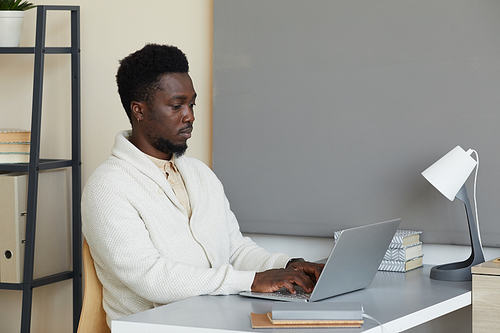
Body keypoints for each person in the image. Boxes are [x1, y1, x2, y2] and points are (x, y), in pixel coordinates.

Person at [81, 44, 324, 325]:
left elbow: (234, 249)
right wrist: (252, 280)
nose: (190, 116)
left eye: (191, 104)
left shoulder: (199, 173)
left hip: (216, 320)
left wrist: (286, 266)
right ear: (139, 110)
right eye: (176, 106)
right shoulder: (107, 188)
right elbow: (151, 277)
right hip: (155, 327)